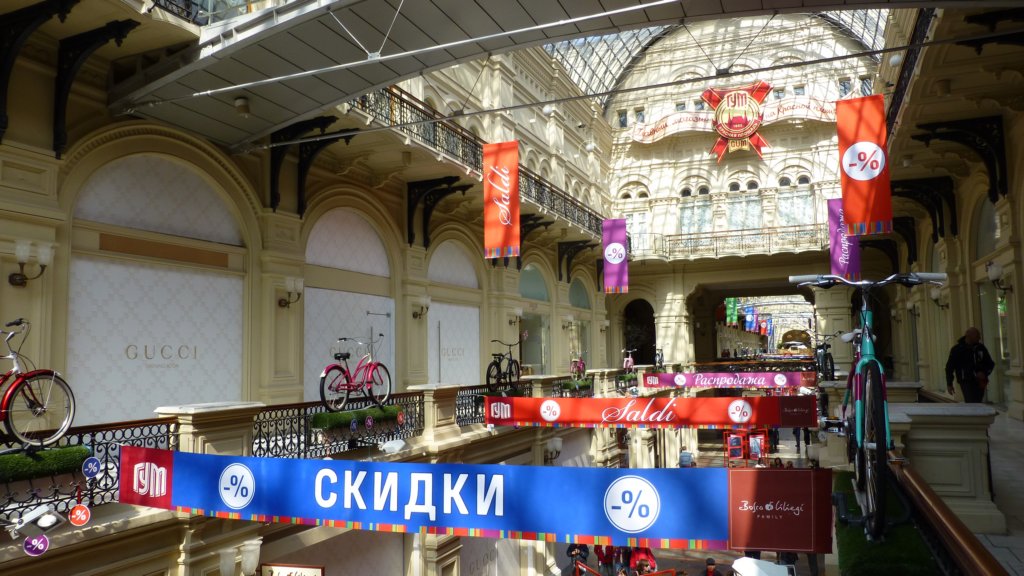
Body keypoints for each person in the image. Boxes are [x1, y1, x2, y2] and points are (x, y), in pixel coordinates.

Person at [945, 327, 995, 403]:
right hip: (965, 380)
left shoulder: (980, 348)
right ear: (969, 336)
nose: (979, 338)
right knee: (971, 402)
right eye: (977, 336)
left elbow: (990, 363)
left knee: (978, 401)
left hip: (979, 380)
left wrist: (984, 373)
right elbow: (949, 367)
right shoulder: (957, 349)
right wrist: (949, 384)